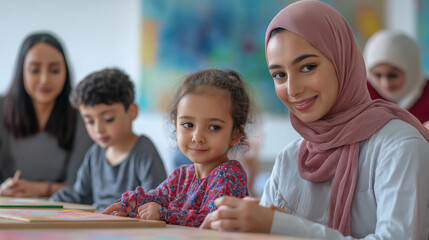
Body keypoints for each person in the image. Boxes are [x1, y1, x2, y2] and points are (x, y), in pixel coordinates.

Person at [200, 1, 429, 239]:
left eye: (308, 67)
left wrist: (279, 225)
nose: (293, 89)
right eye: (279, 75)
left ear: (342, 61)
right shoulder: (291, 159)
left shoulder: (400, 146)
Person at [103, 69, 250, 227]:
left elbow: (211, 220)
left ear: (235, 135)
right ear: (176, 126)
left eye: (214, 127)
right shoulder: (181, 176)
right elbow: (155, 199)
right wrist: (132, 204)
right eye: (188, 125)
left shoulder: (228, 176)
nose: (197, 137)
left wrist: (163, 213)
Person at [50, 68, 167, 211]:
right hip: (99, 225)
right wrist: (50, 202)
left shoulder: (144, 152)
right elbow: (80, 195)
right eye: (90, 121)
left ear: (132, 112)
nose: (98, 129)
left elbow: (156, 202)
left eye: (108, 119)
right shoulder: (95, 153)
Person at [0, 32, 93, 197]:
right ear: (21, 72)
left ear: (66, 72)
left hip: (63, 211)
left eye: (55, 70)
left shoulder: (82, 115)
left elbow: (81, 188)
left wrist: (38, 189)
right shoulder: (2, 108)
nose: (44, 79)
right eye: (35, 70)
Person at [363, 29, 429, 129]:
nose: (385, 84)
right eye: (377, 75)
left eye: (393, 75)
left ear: (411, 70)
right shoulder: (362, 94)